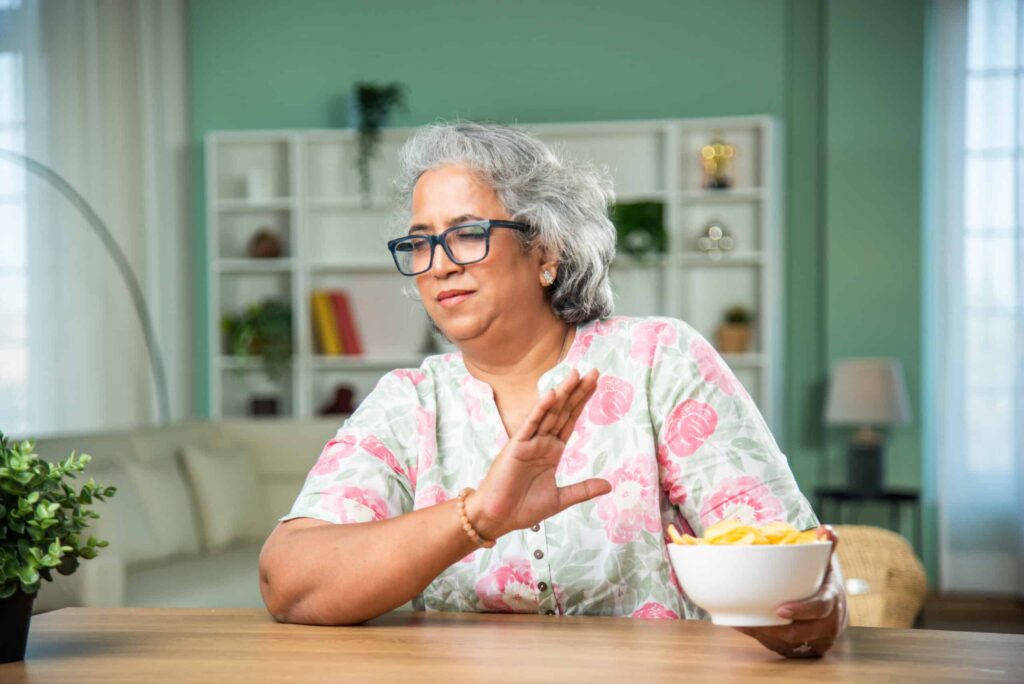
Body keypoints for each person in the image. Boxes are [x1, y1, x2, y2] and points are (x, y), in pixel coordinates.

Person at [259, 121, 847, 658]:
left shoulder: (660, 361)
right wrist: (477, 517)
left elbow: (794, 564)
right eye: (420, 243)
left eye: (466, 234)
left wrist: (817, 607)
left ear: (545, 249)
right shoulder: (407, 401)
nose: (439, 265)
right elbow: (287, 583)